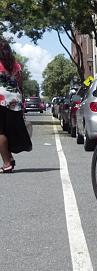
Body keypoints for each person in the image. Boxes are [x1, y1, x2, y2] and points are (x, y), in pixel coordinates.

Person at [0, 37, 32, 173]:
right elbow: (20, 85)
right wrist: (22, 102)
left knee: (0, 132)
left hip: (0, 100)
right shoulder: (17, 65)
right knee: (7, 130)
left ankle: (7, 163)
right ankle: (10, 158)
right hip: (15, 101)